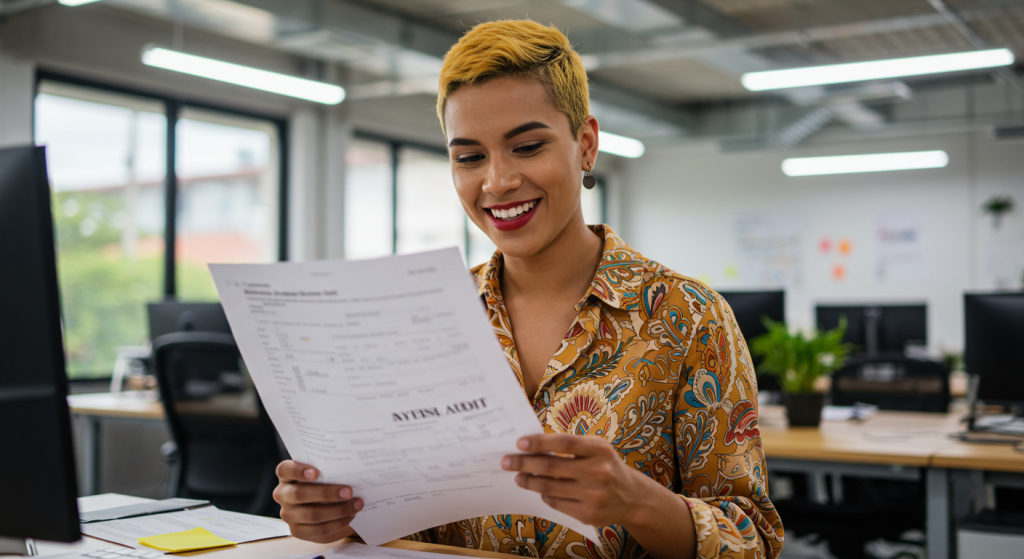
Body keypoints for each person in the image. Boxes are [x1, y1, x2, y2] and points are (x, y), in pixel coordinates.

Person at [273, 20, 784, 559]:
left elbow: (752, 537)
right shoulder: (424, 317)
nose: (497, 182)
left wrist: (637, 502)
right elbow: (411, 519)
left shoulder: (688, 316)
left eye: (527, 146)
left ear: (585, 144)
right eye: (469, 157)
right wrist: (339, 517)